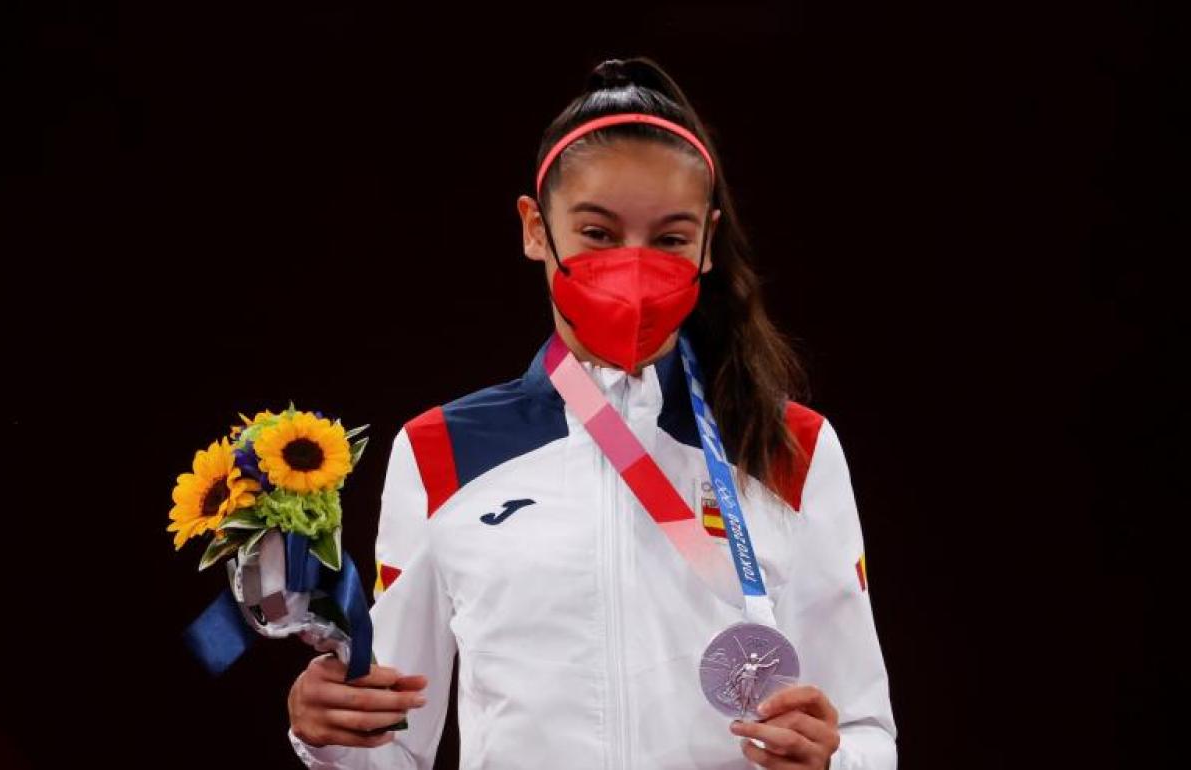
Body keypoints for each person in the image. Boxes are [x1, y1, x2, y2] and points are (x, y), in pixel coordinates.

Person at [285, 56, 897, 770]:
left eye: (670, 238)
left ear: (706, 242)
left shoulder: (792, 447)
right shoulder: (439, 452)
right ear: (535, 229)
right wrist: (328, 737)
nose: (633, 266)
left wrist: (834, 761)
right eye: (598, 234)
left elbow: (867, 733)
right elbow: (393, 752)